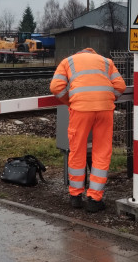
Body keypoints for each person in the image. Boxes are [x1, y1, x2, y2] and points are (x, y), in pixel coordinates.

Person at [50, 48, 126, 213]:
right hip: (105, 110)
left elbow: (56, 87)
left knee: (77, 150)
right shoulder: (107, 62)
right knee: (102, 151)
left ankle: (76, 196)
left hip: (80, 109)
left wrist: (69, 100)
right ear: (94, 54)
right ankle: (94, 198)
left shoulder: (68, 61)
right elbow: (120, 86)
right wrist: (106, 98)